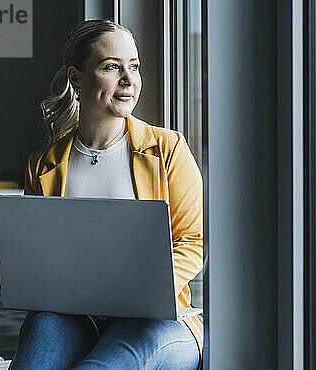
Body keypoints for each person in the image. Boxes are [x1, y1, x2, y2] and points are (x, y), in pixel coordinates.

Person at [10, 19, 203, 369]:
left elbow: (192, 242)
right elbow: (39, 261)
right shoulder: (43, 165)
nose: (129, 79)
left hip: (157, 321)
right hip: (74, 315)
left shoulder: (168, 148)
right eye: (112, 67)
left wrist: (138, 291)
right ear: (76, 79)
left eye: (135, 66)